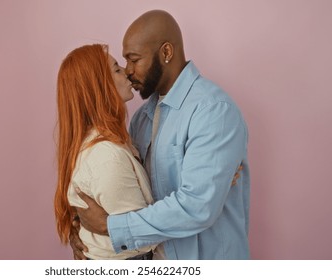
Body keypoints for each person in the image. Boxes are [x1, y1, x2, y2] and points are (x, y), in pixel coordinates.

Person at [73, 10, 250, 259]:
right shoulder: (141, 118)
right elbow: (132, 192)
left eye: (134, 59)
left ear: (166, 53)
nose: (128, 71)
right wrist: (84, 231)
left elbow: (198, 207)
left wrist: (109, 227)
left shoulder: (212, 111)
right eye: (124, 62)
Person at [54, 44, 157, 260]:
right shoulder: (106, 155)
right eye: (117, 69)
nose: (127, 72)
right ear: (99, 86)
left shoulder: (115, 139)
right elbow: (145, 237)